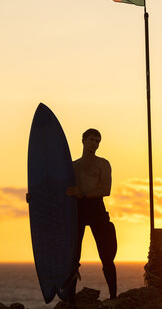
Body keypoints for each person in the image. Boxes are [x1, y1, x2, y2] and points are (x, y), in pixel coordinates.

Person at [65, 128, 118, 304]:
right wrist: (33, 197)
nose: (94, 144)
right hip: (78, 210)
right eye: (92, 140)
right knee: (73, 257)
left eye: (97, 141)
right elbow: (58, 190)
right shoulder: (72, 166)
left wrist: (84, 194)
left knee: (107, 256)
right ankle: (71, 300)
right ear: (83, 140)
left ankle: (113, 297)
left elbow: (106, 190)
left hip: (96, 208)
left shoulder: (103, 164)